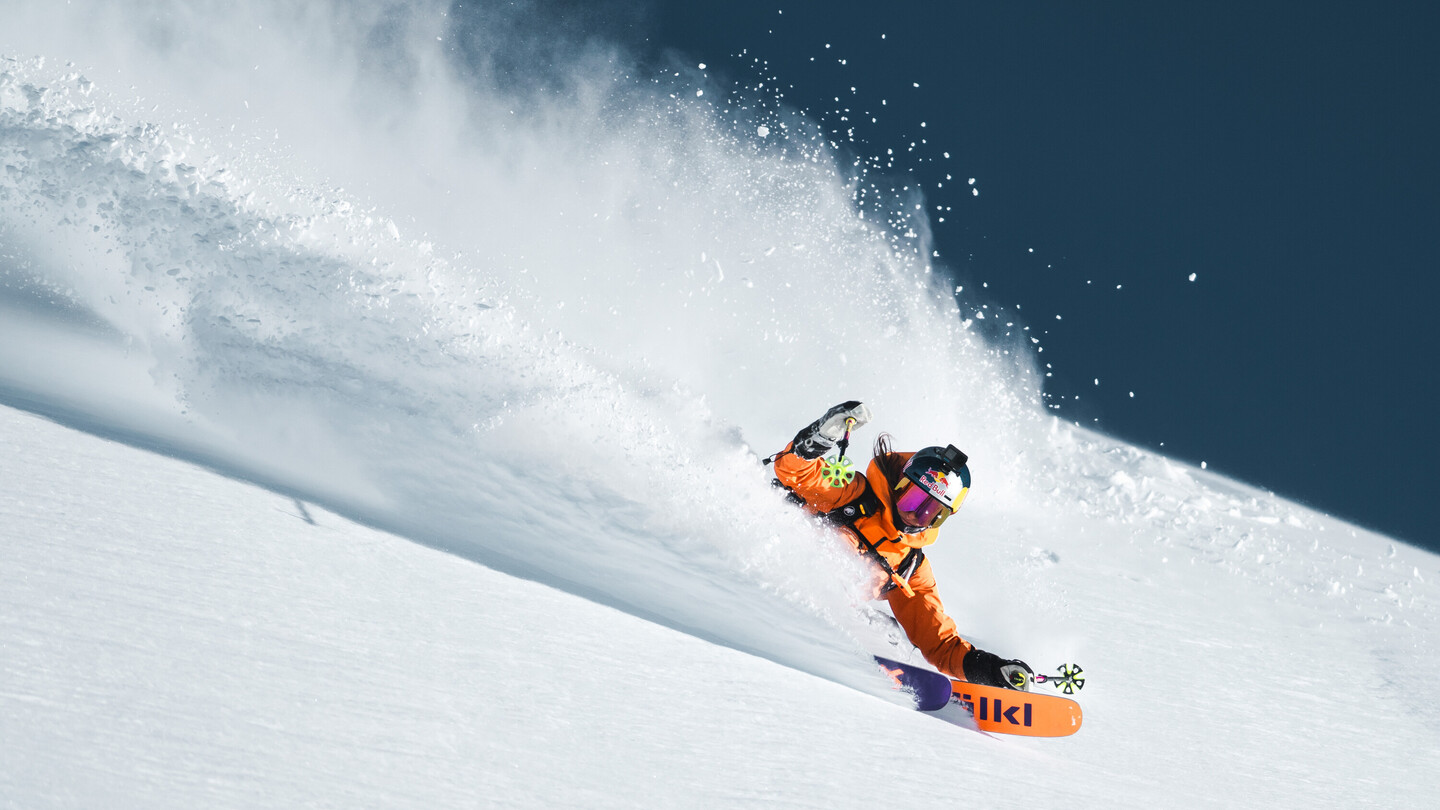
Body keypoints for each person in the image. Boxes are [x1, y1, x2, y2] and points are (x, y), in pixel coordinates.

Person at [769, 401, 1033, 690]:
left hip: (824, 620)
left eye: (928, 511)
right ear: (899, 484)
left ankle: (877, 664)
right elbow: (796, 472)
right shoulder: (852, 496)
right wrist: (822, 436)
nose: (913, 515)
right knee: (872, 623)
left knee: (887, 631)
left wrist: (990, 670)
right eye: (911, 499)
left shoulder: (910, 568)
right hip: (776, 583)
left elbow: (939, 641)